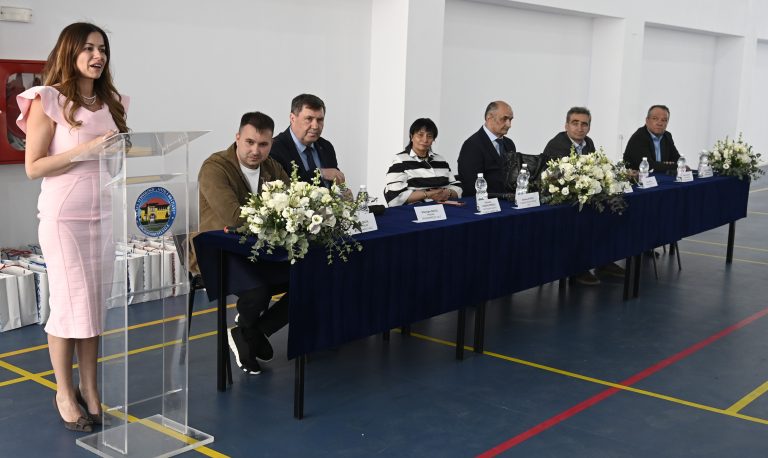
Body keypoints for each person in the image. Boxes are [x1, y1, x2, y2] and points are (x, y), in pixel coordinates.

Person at [17, 22, 129, 432]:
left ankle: (90, 389)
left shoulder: (113, 102)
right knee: (68, 304)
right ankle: (64, 392)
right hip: (64, 218)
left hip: (104, 214)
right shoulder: (48, 99)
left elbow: (115, 157)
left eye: (103, 49)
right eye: (88, 48)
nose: (98, 56)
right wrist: (87, 149)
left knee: (93, 305)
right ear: (70, 51)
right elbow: (33, 167)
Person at [195, 111, 290, 376]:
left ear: (271, 143)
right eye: (249, 142)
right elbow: (234, 218)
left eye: (263, 144)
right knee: (257, 289)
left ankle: (252, 331)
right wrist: (277, 216)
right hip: (219, 250)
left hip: (260, 248)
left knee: (307, 277)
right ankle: (250, 331)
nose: (255, 150)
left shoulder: (273, 168)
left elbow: (292, 208)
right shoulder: (214, 167)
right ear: (237, 138)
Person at [542, 107, 624, 285]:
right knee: (582, 219)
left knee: (610, 211)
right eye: (575, 123)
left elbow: (593, 168)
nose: (580, 128)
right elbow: (563, 177)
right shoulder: (558, 144)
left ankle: (603, 260)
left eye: (584, 124)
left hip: (583, 195)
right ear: (566, 126)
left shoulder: (588, 143)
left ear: (589, 127)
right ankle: (577, 268)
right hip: (561, 200)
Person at [270, 93, 345, 187]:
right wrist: (320, 173)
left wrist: (342, 192)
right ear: (292, 118)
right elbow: (284, 187)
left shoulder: (326, 146)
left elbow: (335, 182)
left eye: (320, 120)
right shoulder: (274, 148)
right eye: (309, 119)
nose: (315, 126)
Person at [383, 118, 462, 206]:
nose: (425, 140)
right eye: (420, 135)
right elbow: (394, 197)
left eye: (429, 136)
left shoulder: (440, 160)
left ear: (433, 139)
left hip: (444, 208)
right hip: (414, 210)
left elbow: (457, 188)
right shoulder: (400, 160)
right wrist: (428, 194)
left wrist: (448, 192)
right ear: (411, 136)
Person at [457, 101, 517, 197]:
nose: (509, 125)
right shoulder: (472, 145)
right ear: (489, 118)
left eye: (510, 119)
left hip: (508, 201)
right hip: (484, 202)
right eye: (504, 119)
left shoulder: (509, 144)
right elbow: (471, 186)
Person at [623, 105, 680, 173]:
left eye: (664, 120)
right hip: (638, 178)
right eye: (655, 118)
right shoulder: (639, 137)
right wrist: (670, 165)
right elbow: (649, 166)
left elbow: (678, 160)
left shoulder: (667, 136)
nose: (659, 123)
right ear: (647, 120)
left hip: (660, 177)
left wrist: (664, 165)